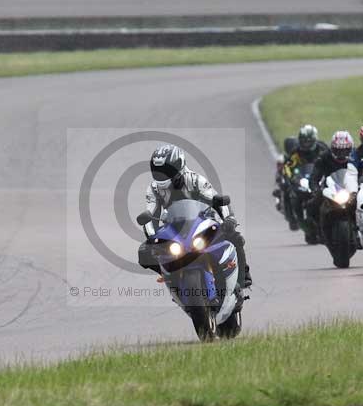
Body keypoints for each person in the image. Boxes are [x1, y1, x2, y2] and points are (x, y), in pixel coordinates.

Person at [138, 144, 252, 289]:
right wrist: (151, 237)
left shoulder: (196, 180)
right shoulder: (153, 189)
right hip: (174, 227)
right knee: (144, 252)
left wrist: (229, 219)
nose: (162, 175)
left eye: (166, 170)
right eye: (158, 171)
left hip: (203, 222)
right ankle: (170, 275)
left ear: (179, 166)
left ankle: (243, 275)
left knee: (235, 236)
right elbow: (150, 213)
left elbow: (217, 200)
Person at [306, 130, 358, 227]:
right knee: (312, 204)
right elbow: (314, 177)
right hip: (330, 188)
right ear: (332, 148)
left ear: (350, 148)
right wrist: (315, 190)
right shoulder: (324, 157)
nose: (341, 154)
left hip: (352, 188)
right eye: (338, 150)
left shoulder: (357, 156)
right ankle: (316, 227)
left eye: (345, 150)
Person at [273, 124, 329, 213]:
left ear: (314, 140)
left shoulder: (322, 149)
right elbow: (287, 166)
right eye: (303, 141)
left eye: (308, 141)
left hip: (317, 177)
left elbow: (331, 160)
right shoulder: (295, 152)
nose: (306, 144)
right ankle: (291, 215)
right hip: (302, 178)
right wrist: (290, 177)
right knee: (288, 189)